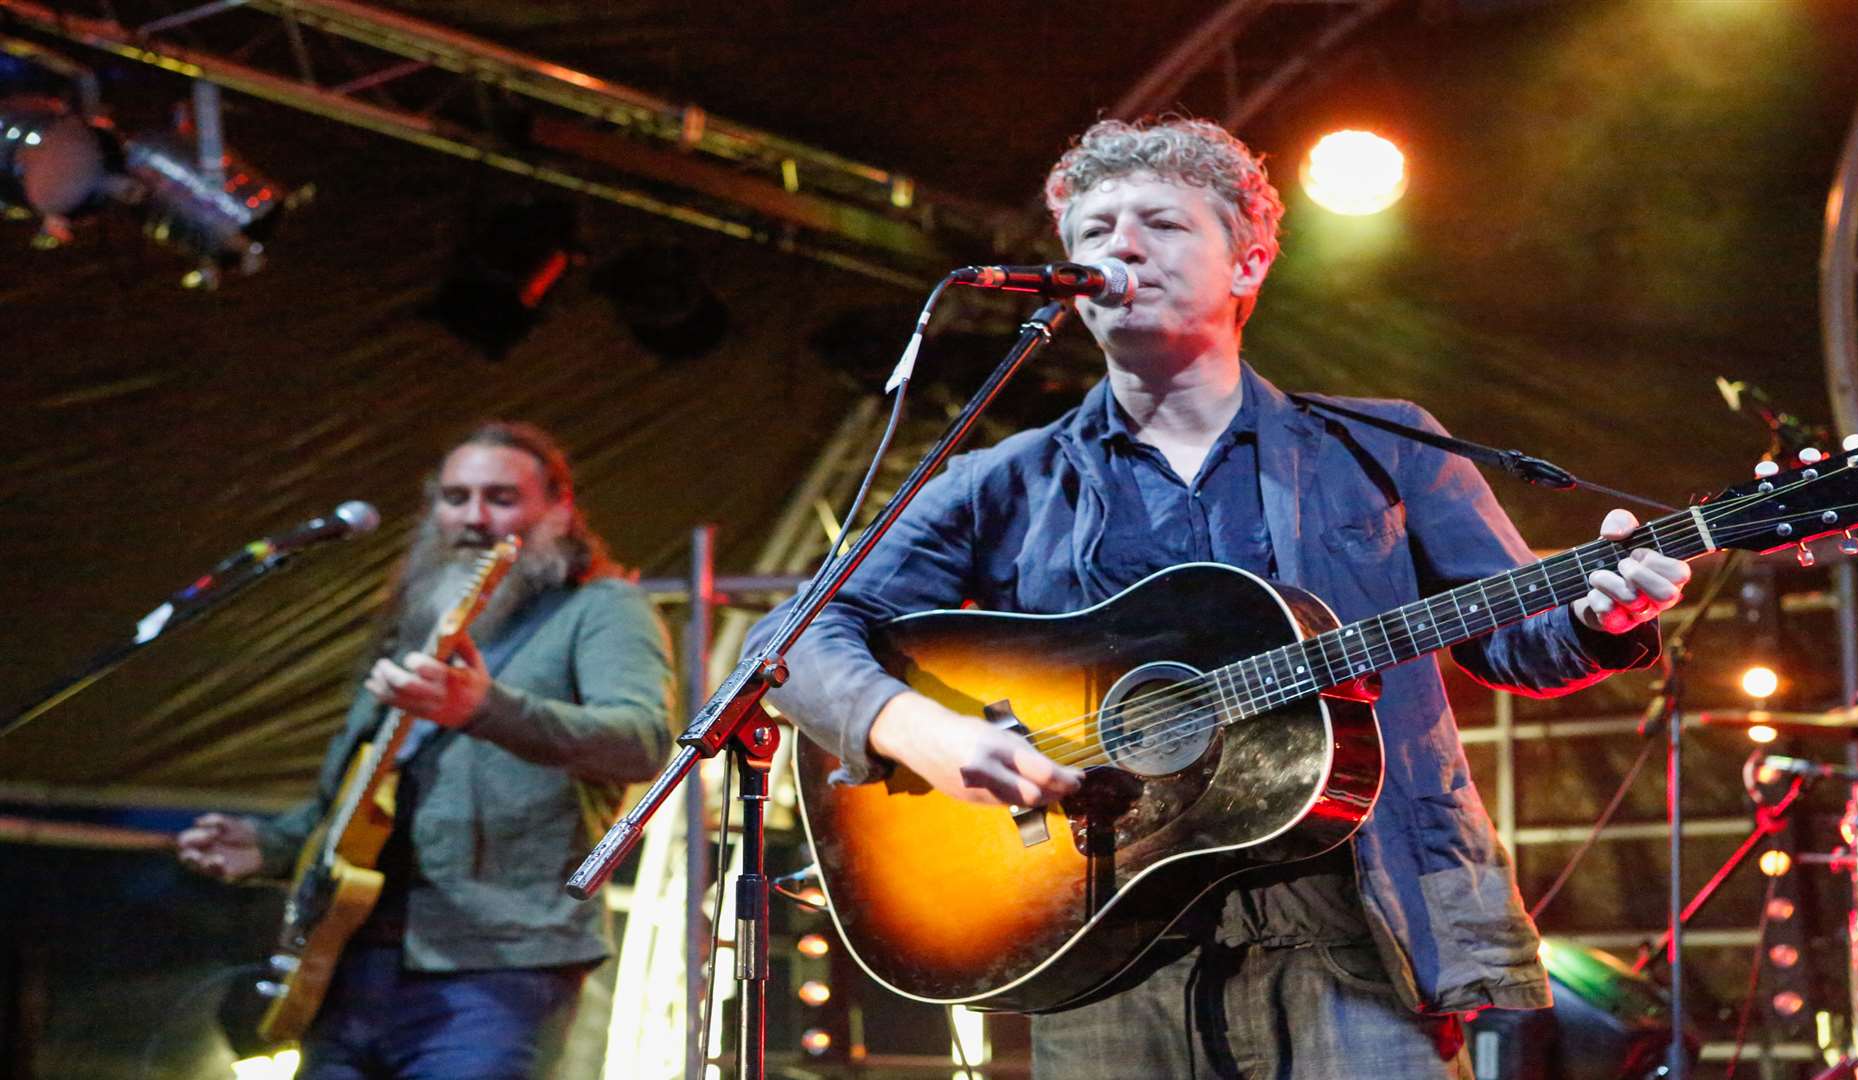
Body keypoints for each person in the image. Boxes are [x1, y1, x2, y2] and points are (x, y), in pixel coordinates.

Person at [746, 118, 1691, 1079]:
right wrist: (921, 732)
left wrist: (1594, 617)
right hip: (1100, 941)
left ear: (1248, 265)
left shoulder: (1386, 446)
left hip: (1355, 929)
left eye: (1160, 223)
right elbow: (792, 638)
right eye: (1092, 231)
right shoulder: (1007, 481)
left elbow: (1513, 641)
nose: (1118, 247)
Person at [177, 421, 673, 1080]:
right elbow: (358, 798)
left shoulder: (603, 609)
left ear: (559, 509)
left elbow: (643, 743)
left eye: (500, 498)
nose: (474, 517)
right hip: (347, 967)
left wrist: (485, 708)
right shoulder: (412, 622)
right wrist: (270, 845)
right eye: (455, 497)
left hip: (498, 973)